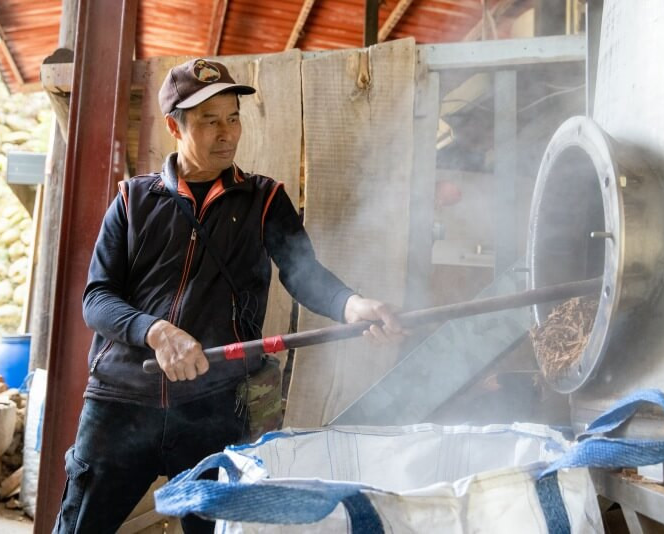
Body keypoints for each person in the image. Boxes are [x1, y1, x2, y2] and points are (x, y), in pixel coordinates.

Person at [54, 58, 403, 534]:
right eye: (209, 121)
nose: (227, 134)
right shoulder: (134, 201)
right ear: (175, 127)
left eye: (233, 118)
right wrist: (156, 331)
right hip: (121, 403)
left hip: (212, 406)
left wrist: (353, 304)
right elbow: (97, 298)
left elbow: (304, 274)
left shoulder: (263, 200)